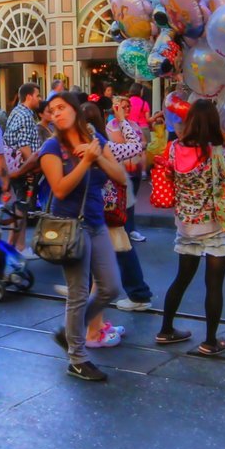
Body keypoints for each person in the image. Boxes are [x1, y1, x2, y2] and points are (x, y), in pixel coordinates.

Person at [38, 90, 128, 382]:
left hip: (97, 222)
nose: (57, 113)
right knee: (77, 293)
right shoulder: (51, 148)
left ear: (76, 110)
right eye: (52, 110)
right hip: (69, 227)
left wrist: (97, 156)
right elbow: (61, 189)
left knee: (111, 288)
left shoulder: (96, 141)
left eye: (62, 107)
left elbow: (120, 176)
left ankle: (70, 332)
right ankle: (77, 358)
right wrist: (85, 163)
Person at [154, 99, 225, 355]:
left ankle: (166, 329)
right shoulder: (215, 151)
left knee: (181, 279)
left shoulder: (173, 148)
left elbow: (170, 175)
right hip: (215, 226)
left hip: (186, 224)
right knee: (214, 285)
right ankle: (210, 341)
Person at [96, 100, 153, 312]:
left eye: (127, 106)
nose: (126, 109)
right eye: (122, 106)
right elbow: (137, 144)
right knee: (115, 245)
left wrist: (122, 120)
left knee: (121, 245)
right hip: (115, 197)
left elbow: (137, 144)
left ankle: (137, 293)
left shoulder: (101, 145)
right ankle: (95, 290)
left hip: (112, 200)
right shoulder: (109, 134)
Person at [4, 83, 45, 247]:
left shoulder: (17, 111)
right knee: (21, 207)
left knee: (21, 207)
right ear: (29, 96)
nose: (40, 99)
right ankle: (13, 245)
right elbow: (24, 146)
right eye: (38, 95)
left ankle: (18, 245)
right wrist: (32, 169)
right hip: (24, 168)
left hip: (18, 167)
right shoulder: (25, 116)